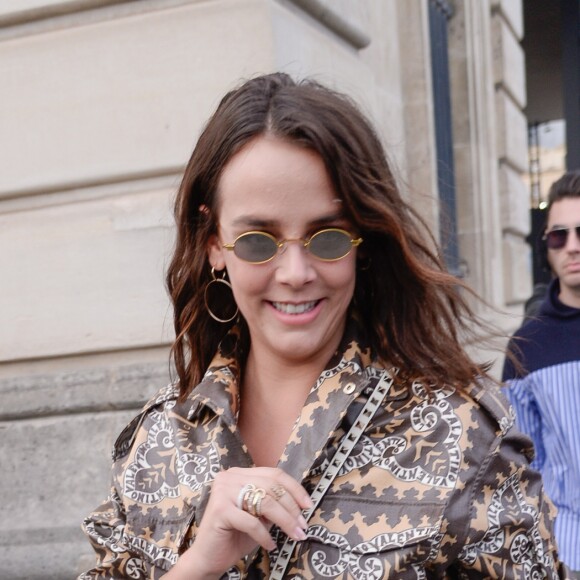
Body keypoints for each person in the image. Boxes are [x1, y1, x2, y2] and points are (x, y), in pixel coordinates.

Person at [80, 73, 564, 579]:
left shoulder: (460, 432)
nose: (295, 274)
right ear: (213, 244)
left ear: (363, 240)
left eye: (327, 237)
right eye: (257, 241)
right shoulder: (159, 440)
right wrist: (199, 564)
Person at [503, 170, 580, 578]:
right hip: (568, 550)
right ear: (546, 245)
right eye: (559, 235)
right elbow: (519, 468)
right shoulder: (526, 348)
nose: (572, 246)